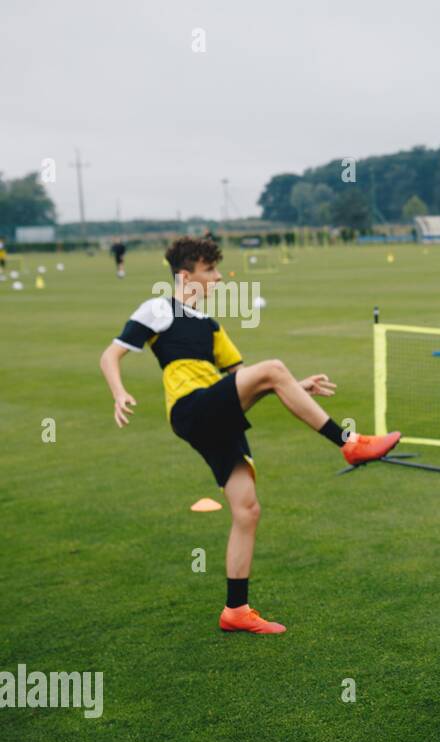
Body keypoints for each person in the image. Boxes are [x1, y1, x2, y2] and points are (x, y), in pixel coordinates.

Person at [98, 236, 401, 633]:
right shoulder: (158, 308)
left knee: (247, 509)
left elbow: (241, 377)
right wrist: (120, 392)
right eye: (210, 270)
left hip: (215, 413)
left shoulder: (210, 326)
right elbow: (110, 354)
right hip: (192, 408)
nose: (219, 277)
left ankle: (235, 610)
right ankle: (349, 444)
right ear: (186, 275)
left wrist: (296, 385)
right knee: (274, 367)